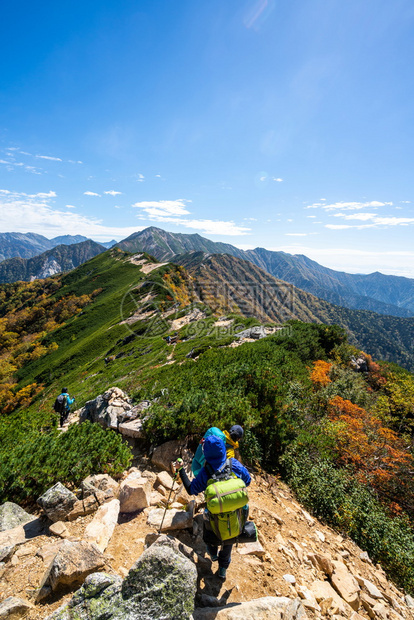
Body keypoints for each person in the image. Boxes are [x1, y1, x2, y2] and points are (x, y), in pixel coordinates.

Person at [175, 435, 251, 580]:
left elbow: (191, 490)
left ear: (206, 453)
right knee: (229, 538)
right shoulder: (233, 463)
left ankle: (212, 551)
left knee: (210, 525)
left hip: (215, 512)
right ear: (223, 449)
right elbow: (247, 480)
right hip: (234, 512)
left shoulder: (206, 471)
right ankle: (222, 569)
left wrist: (181, 470)